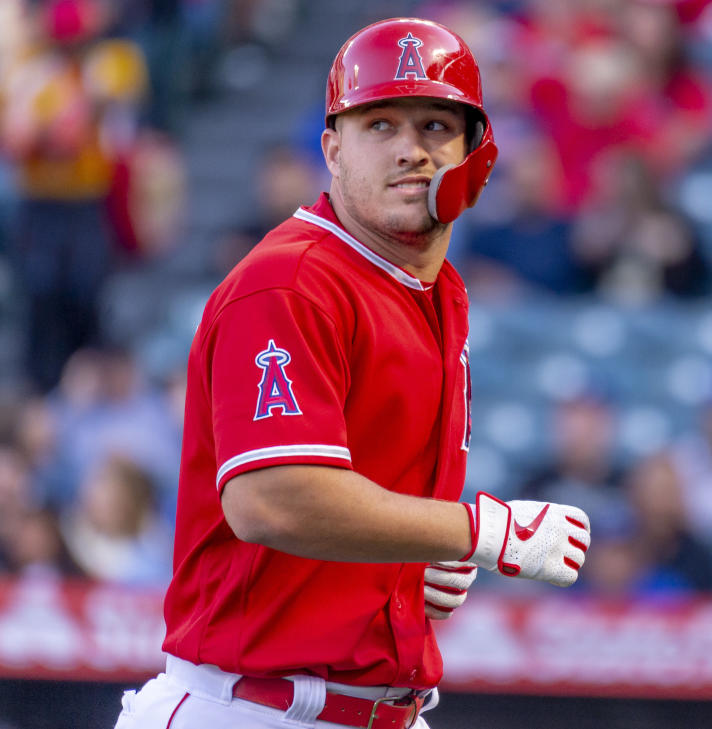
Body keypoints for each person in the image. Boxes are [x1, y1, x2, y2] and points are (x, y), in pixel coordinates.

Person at [113, 17, 591, 729]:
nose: (410, 150)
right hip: (251, 704)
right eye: (379, 125)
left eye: (435, 125)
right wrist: (477, 531)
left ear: (475, 158)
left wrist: (406, 570)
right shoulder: (290, 280)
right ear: (332, 150)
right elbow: (271, 499)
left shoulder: (438, 290)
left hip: (381, 708)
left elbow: (359, 498)